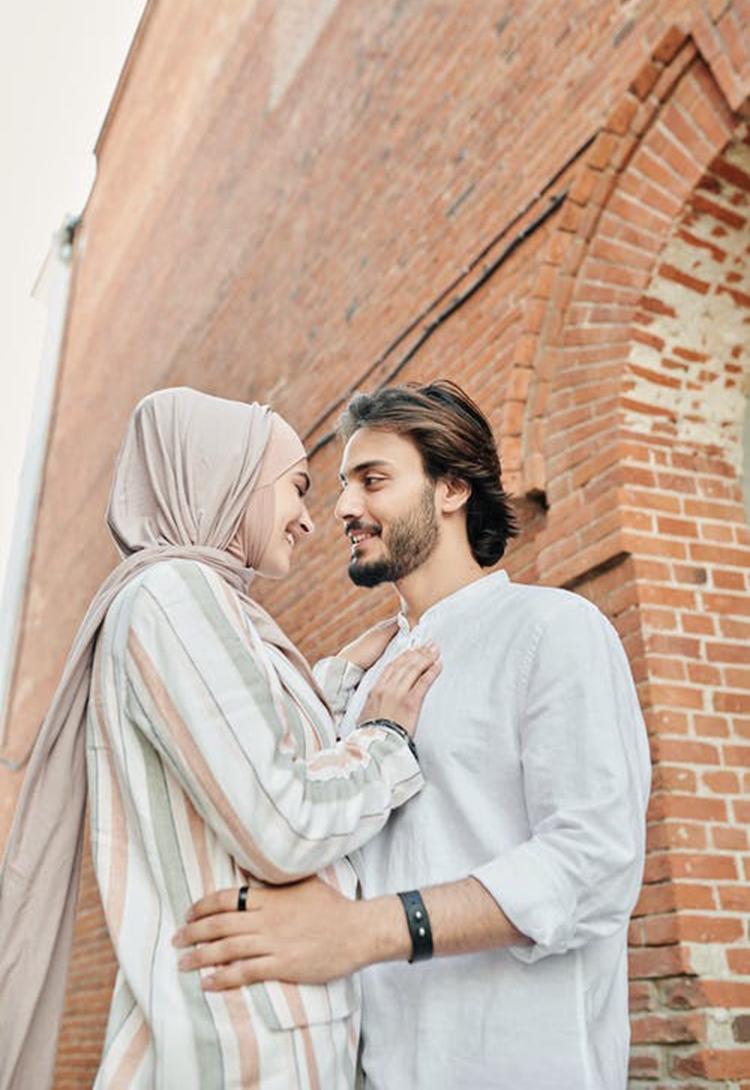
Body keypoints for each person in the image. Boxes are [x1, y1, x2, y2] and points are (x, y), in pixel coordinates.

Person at [175, 381, 652, 1090]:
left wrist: (363, 931)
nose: (344, 507)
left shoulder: (552, 628)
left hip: (522, 1066)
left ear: (452, 487)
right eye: (343, 485)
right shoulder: (368, 681)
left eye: (373, 480)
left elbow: (595, 860)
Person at [0, 387, 442, 1090]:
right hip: (238, 1053)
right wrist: (385, 739)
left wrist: (329, 685)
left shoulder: (194, 602)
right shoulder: (176, 594)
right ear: (232, 478)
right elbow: (283, 821)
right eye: (297, 487)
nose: (310, 519)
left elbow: (241, 753)